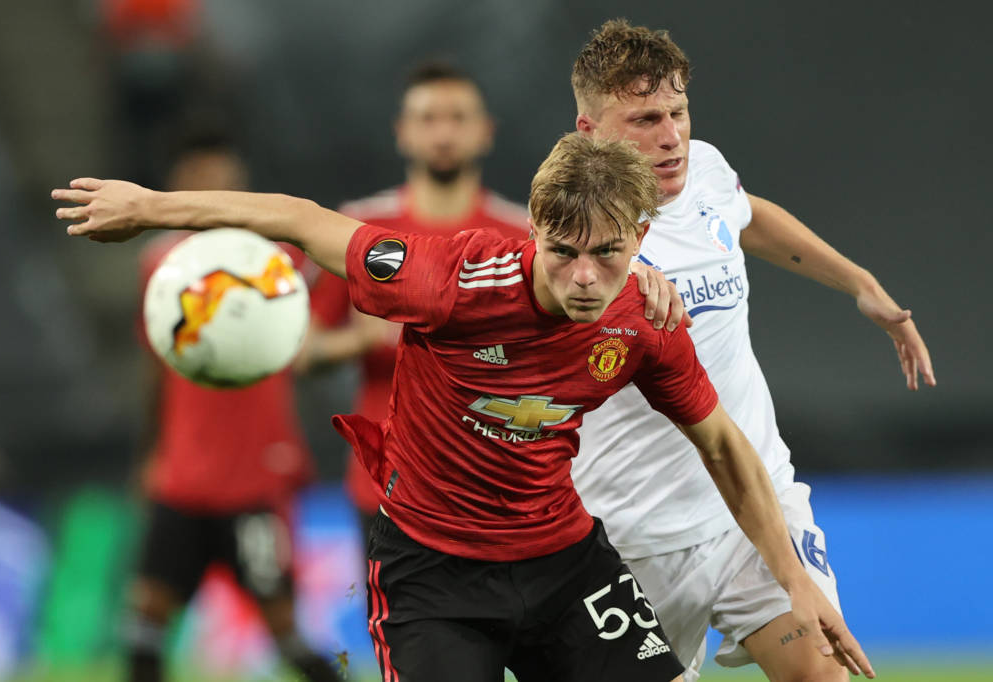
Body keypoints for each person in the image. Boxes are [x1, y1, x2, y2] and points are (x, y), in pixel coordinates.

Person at [53, 131, 875, 682]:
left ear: (640, 237)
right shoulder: (446, 280)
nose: (584, 277)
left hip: (564, 561)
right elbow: (300, 221)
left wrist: (796, 586)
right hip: (433, 572)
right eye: (564, 251)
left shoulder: (646, 322)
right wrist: (150, 209)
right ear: (535, 229)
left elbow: (724, 446)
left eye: (608, 253)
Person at [569, 19, 935, 682]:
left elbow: (745, 216)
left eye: (678, 112)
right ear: (589, 131)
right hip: (635, 534)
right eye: (645, 120)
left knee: (823, 673)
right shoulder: (574, 241)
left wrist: (858, 282)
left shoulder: (704, 170)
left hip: (754, 504)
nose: (671, 136)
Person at [123, 127, 340, 682]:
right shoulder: (160, 265)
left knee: (286, 632)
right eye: (199, 173)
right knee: (144, 623)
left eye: (222, 172)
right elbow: (155, 369)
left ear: (239, 178)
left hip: (255, 477)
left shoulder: (281, 258)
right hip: (181, 477)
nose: (213, 183)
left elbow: (323, 329)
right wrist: (151, 452)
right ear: (177, 182)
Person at [302, 61, 530, 538]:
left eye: (458, 118)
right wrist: (360, 340)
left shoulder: (521, 236)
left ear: (485, 132)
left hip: (492, 488)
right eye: (428, 119)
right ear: (402, 132)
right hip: (385, 485)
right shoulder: (359, 229)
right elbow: (302, 352)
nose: (443, 133)